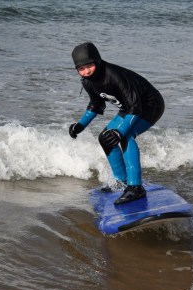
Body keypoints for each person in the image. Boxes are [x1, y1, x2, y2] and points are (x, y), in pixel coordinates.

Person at [69, 42, 165, 205]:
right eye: (81, 69)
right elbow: (96, 105)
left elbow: (136, 106)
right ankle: (121, 183)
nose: (86, 72)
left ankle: (135, 187)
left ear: (97, 61)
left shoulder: (114, 75)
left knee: (125, 136)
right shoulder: (88, 82)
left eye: (89, 66)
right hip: (130, 109)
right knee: (106, 138)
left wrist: (120, 132)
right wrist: (80, 126)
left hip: (149, 105)